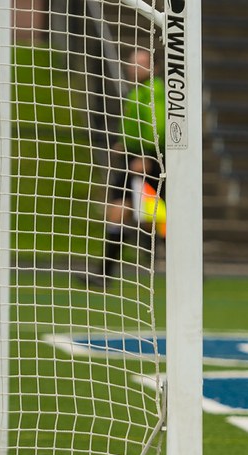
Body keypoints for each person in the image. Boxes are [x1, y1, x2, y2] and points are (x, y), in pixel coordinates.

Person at [81, 47, 165, 288]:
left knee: (156, 216)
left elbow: (156, 127)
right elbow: (135, 126)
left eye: (140, 63)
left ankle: (185, 265)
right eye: (132, 63)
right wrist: (121, 142)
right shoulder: (137, 92)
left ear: (154, 68)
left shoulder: (154, 90)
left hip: (147, 161)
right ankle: (104, 273)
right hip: (133, 158)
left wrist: (148, 156)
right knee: (121, 210)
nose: (134, 67)